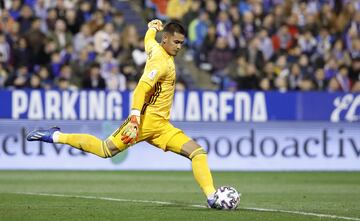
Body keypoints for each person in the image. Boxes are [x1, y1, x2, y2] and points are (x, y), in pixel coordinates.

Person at [27, 19, 219, 209]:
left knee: (197, 152)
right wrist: (135, 120)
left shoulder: (155, 48)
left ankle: (212, 197)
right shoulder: (160, 63)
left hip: (162, 127)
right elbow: (140, 90)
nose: (179, 47)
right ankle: (56, 136)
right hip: (144, 122)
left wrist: (152, 28)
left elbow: (148, 40)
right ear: (166, 39)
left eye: (181, 43)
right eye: (176, 42)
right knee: (105, 150)